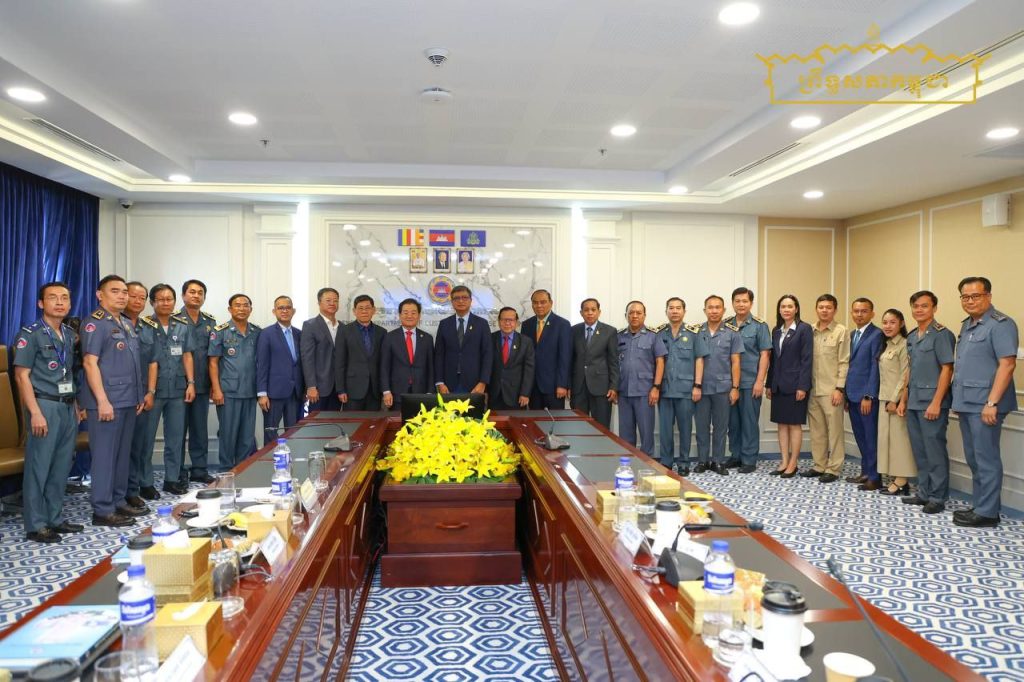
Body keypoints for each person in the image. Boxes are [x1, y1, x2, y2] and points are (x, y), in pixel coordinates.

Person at [12, 282, 83, 543]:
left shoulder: (69, 334)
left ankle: (54, 518)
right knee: (39, 467)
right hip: (44, 405)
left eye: (65, 298)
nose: (60, 302)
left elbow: (68, 373)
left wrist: (75, 405)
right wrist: (35, 413)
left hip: (67, 405)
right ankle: (36, 524)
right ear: (41, 303)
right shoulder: (30, 334)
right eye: (53, 298)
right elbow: (22, 377)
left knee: (61, 466)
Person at [79, 275, 146, 527]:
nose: (122, 296)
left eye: (124, 292)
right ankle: (102, 509)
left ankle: (118, 501)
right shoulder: (94, 323)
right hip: (106, 402)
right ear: (100, 295)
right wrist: (102, 401)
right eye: (115, 291)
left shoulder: (126, 323)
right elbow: (89, 363)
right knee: (105, 457)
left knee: (121, 456)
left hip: (128, 400)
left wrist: (138, 396)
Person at [951, 277, 1018, 528]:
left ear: (988, 296)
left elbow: (1007, 364)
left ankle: (988, 513)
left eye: (975, 296)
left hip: (986, 404)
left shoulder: (1001, 324)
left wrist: (992, 402)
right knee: (974, 458)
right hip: (967, 402)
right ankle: (981, 506)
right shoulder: (967, 325)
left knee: (986, 459)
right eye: (965, 296)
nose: (970, 301)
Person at [139, 285, 195, 497]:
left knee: (175, 438)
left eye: (169, 299)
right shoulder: (143, 325)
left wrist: (191, 383)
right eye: (160, 299)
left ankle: (172, 479)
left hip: (178, 389)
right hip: (152, 391)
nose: (165, 303)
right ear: (152, 302)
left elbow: (187, 355)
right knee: (147, 439)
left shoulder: (182, 325)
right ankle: (145, 482)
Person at [902, 290, 955, 514]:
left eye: (924, 306)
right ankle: (923, 493)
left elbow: (947, 369)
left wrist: (936, 402)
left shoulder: (942, 334)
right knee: (920, 451)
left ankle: (937, 497)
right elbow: (910, 369)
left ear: (934, 308)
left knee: (934, 451)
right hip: (914, 400)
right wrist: (903, 399)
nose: (919, 310)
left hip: (932, 402)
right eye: (915, 306)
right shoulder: (912, 336)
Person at [208, 294, 261, 467]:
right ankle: (225, 470)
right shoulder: (220, 331)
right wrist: (216, 389)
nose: (242, 308)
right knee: (228, 435)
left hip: (250, 391)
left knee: (247, 436)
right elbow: (213, 363)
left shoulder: (257, 332)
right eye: (237, 305)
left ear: (251, 309)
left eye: (246, 305)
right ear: (230, 309)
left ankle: (242, 470)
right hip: (228, 392)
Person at [656, 297, 707, 475]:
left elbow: (699, 359)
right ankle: (666, 462)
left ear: (684, 311)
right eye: (671, 308)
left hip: (686, 390)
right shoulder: (659, 333)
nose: (675, 311)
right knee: (665, 431)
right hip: (665, 390)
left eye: (678, 308)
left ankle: (684, 462)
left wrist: (697, 385)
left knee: (685, 429)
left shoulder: (694, 333)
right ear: (666, 311)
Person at [694, 295, 743, 476]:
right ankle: (702, 461)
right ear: (705, 310)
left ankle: (718, 461)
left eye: (717, 307)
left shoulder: (732, 332)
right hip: (701, 387)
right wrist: (695, 385)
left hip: (723, 387)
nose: (714, 311)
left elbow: (736, 362)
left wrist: (735, 388)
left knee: (721, 427)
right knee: (701, 426)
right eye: (710, 307)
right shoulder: (696, 332)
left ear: (723, 310)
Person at [803, 294, 850, 483]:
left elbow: (844, 361)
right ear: (816, 309)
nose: (824, 310)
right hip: (812, 389)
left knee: (835, 431)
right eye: (821, 307)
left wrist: (840, 388)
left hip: (832, 390)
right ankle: (819, 465)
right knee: (817, 431)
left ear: (835, 310)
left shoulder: (841, 331)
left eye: (828, 307)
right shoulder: (809, 331)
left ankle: (834, 468)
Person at [725, 287, 771, 474]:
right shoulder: (726, 325)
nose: (741, 304)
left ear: (751, 303)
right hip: (729, 383)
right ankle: (736, 455)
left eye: (745, 301)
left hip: (750, 382)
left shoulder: (760, 326)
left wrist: (760, 381)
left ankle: (749, 459)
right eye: (737, 301)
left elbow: (765, 355)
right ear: (732, 303)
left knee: (749, 422)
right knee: (733, 422)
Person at [766, 294, 812, 478]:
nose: (786, 309)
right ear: (779, 309)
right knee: (782, 424)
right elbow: (773, 360)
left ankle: (793, 463)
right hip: (778, 385)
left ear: (796, 309)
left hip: (795, 386)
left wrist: (803, 386)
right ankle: (784, 461)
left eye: (790, 306)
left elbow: (807, 360)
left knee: (794, 424)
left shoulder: (804, 329)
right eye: (783, 306)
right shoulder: (776, 330)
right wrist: (769, 384)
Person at [177, 279, 217, 483]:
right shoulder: (174, 320)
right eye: (192, 292)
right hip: (177, 385)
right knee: (177, 431)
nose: (196, 296)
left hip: (202, 384)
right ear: (183, 295)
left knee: (200, 430)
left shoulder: (210, 322)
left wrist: (213, 384)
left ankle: (199, 470)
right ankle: (177, 471)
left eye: (200, 293)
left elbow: (213, 356)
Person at [124, 281, 159, 502]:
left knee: (140, 445)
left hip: (143, 395)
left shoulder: (148, 327)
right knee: (122, 448)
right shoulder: (115, 324)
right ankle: (122, 492)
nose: (137, 301)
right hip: (121, 396)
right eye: (133, 296)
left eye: (142, 298)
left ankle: (134, 489)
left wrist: (151, 392)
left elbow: (153, 362)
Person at [617, 301, 666, 456]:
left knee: (646, 433)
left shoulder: (653, 336)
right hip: (623, 391)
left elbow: (660, 362)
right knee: (625, 434)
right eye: (631, 313)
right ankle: (627, 463)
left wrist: (656, 388)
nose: (635, 316)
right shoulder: (619, 336)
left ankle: (647, 463)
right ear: (626, 315)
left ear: (644, 315)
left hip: (645, 392)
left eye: (639, 313)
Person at [845, 298, 884, 490]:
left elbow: (875, 367)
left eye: (864, 311)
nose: (859, 314)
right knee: (860, 436)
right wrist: (846, 395)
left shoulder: (877, 335)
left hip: (866, 397)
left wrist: (869, 395)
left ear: (872, 313)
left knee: (870, 437)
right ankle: (866, 472)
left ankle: (875, 477)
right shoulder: (852, 334)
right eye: (856, 311)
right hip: (852, 395)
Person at [876, 308, 915, 496]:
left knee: (900, 442)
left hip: (896, 402)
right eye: (885, 322)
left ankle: (901, 480)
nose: (888, 326)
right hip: (884, 399)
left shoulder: (904, 345)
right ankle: (896, 477)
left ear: (901, 323)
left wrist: (895, 400)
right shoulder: (887, 345)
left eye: (892, 322)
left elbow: (905, 375)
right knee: (888, 441)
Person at [256, 296, 304, 444]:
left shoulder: (299, 333)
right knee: (271, 432)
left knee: (294, 432)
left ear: (293, 311)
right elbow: (261, 364)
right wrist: (262, 393)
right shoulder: (266, 333)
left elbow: (302, 364)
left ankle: (292, 455)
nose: (284, 311)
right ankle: (269, 457)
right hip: (273, 393)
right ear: (274, 311)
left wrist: (305, 388)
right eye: (280, 308)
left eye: (288, 308)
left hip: (295, 392)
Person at [569, 298, 619, 428]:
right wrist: (568, 385)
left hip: (601, 388)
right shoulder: (573, 331)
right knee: (578, 427)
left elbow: (613, 361)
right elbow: (569, 360)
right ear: (581, 313)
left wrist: (613, 386)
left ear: (599, 312)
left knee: (601, 427)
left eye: (593, 309)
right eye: (586, 310)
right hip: (578, 387)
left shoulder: (609, 331)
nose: (590, 313)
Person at [434, 285, 492, 395]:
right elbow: (439, 355)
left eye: (464, 297)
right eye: (456, 298)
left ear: (471, 301)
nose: (461, 301)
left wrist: (483, 382)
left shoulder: (482, 324)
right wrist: (440, 382)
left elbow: (487, 355)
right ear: (452, 302)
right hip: (448, 384)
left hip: (475, 384)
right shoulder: (444, 324)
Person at [520, 289, 571, 410]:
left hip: (554, 387)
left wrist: (562, 384)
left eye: (543, 302)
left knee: (555, 420)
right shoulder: (526, 325)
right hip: (532, 387)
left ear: (551, 303)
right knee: (535, 419)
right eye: (535, 302)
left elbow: (565, 357)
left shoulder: (562, 324)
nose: (539, 305)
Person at [380, 298, 434, 409]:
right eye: (405, 312)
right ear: (400, 315)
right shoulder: (389, 337)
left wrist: (430, 392)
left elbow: (431, 368)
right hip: (396, 394)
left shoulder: (427, 338)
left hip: (421, 393)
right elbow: (384, 367)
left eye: (413, 313)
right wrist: (386, 391)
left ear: (419, 316)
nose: (409, 316)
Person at [335, 295, 386, 411]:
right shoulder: (344, 331)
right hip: (352, 390)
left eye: (367, 308)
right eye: (360, 308)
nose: (364, 311)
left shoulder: (382, 332)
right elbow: (339, 362)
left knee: (373, 421)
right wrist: (341, 389)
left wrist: (384, 390)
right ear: (354, 311)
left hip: (374, 390)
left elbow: (383, 364)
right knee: (352, 421)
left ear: (373, 310)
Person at [300, 287, 343, 412]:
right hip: (318, 388)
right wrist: (311, 386)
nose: (332, 303)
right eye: (328, 300)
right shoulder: (310, 325)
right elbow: (307, 358)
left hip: (338, 388)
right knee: (317, 422)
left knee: (335, 421)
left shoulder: (342, 326)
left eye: (335, 300)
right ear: (319, 303)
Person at [488, 307, 535, 410]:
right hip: (494, 394)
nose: (507, 323)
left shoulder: (526, 342)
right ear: (499, 321)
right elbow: (485, 366)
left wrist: (525, 393)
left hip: (517, 395)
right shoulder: (490, 339)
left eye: (511, 320)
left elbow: (529, 370)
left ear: (516, 322)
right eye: (504, 320)